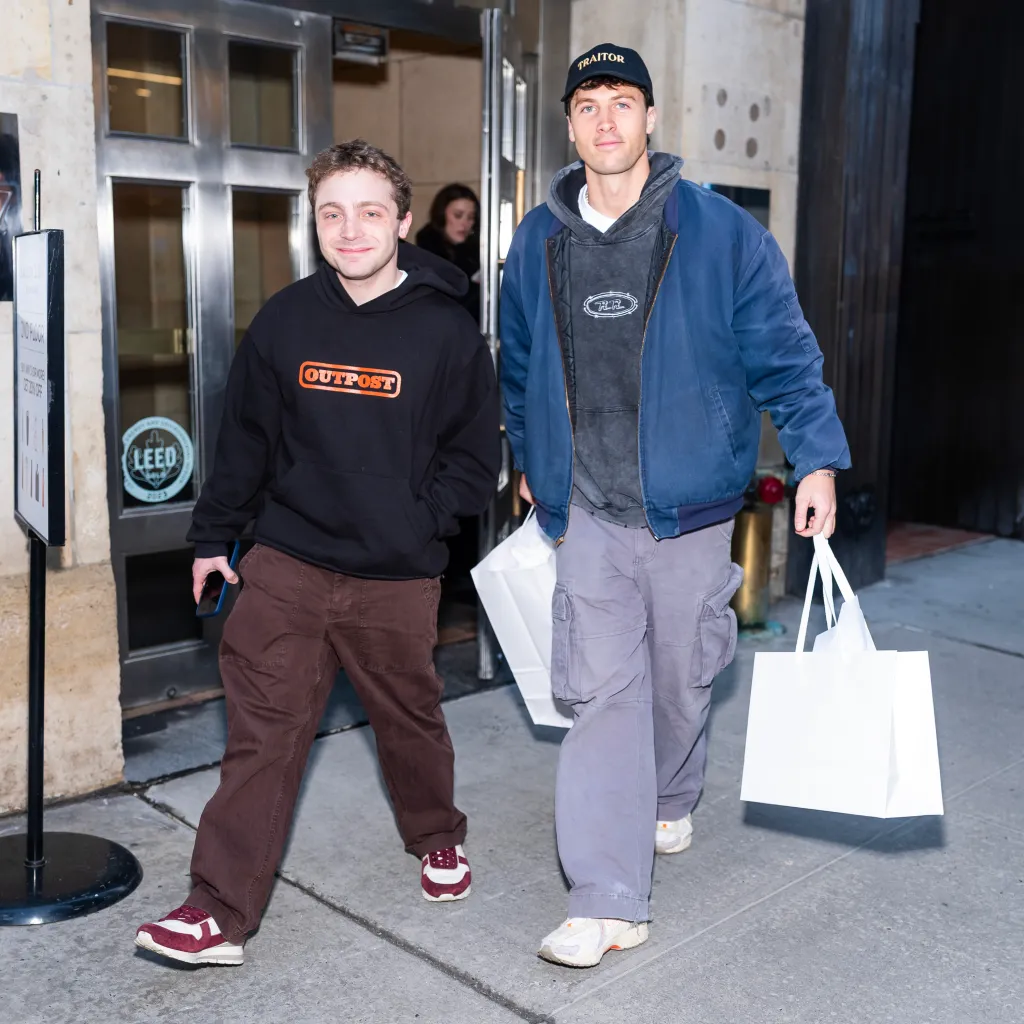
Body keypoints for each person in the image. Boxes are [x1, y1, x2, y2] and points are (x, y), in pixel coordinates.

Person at [499, 45, 850, 968]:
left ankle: (671, 792)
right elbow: (520, 364)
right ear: (570, 124)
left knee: (680, 681)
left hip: (690, 506)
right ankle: (607, 897)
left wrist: (815, 458)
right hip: (587, 511)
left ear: (650, 118)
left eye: (623, 102)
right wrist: (529, 456)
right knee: (602, 695)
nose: (606, 120)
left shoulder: (721, 233)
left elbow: (785, 354)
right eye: (588, 105)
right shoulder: (538, 239)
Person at [135, 140, 500, 967]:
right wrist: (212, 535)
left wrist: (420, 524)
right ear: (315, 224)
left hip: (395, 576)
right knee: (262, 737)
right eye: (331, 213)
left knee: (409, 722)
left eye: (370, 211)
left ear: (403, 223)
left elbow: (475, 459)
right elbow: (246, 441)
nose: (350, 229)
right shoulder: (288, 319)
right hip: (288, 562)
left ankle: (437, 837)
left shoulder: (446, 331)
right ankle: (217, 911)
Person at [415, 184, 481, 323]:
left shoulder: (478, 254)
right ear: (441, 215)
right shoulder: (424, 257)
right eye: (458, 215)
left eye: (471, 217)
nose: (465, 223)